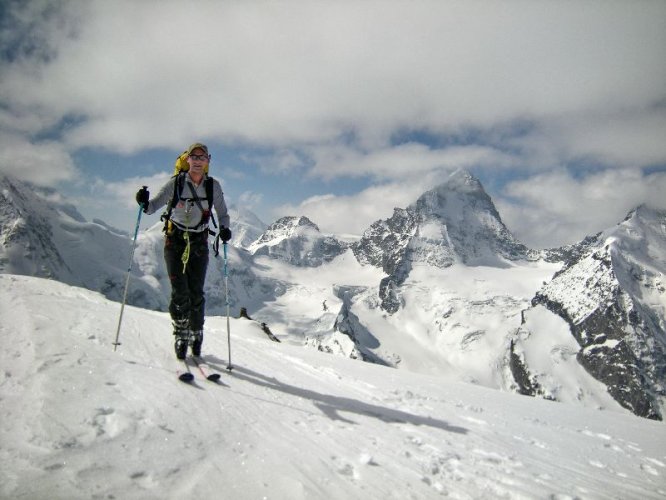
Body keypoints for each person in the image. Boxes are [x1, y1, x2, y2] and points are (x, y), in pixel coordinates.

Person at [135, 142, 232, 359]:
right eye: (194, 157)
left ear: (208, 161)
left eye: (202, 157)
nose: (197, 161)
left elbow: (223, 214)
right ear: (187, 159)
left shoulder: (212, 186)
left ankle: (196, 332)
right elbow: (152, 206)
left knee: (196, 291)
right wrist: (142, 201)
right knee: (180, 290)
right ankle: (181, 332)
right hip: (175, 239)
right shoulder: (176, 183)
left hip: (199, 240)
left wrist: (224, 229)